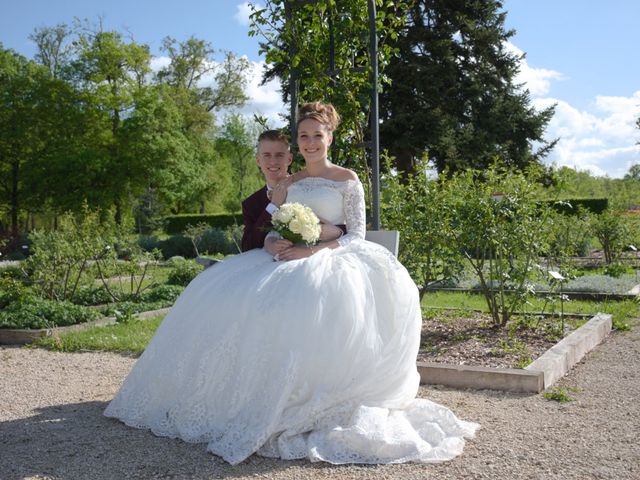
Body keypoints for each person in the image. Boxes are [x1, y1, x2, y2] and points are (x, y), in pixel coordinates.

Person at [104, 101, 479, 465]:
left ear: (330, 137)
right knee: (223, 292)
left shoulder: (347, 179)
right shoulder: (289, 182)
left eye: (317, 135)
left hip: (334, 258)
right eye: (303, 136)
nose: (310, 142)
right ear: (297, 141)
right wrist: (274, 241)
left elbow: (357, 234)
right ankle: (240, 396)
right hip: (286, 256)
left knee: (315, 294)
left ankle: (313, 394)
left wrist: (315, 248)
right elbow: (271, 227)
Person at [241, 129, 344, 252]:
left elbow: (340, 228)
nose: (273, 161)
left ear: (289, 159)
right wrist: (272, 206)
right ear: (258, 160)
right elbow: (248, 246)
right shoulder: (251, 203)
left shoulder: (309, 189)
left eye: (279, 155)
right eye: (267, 155)